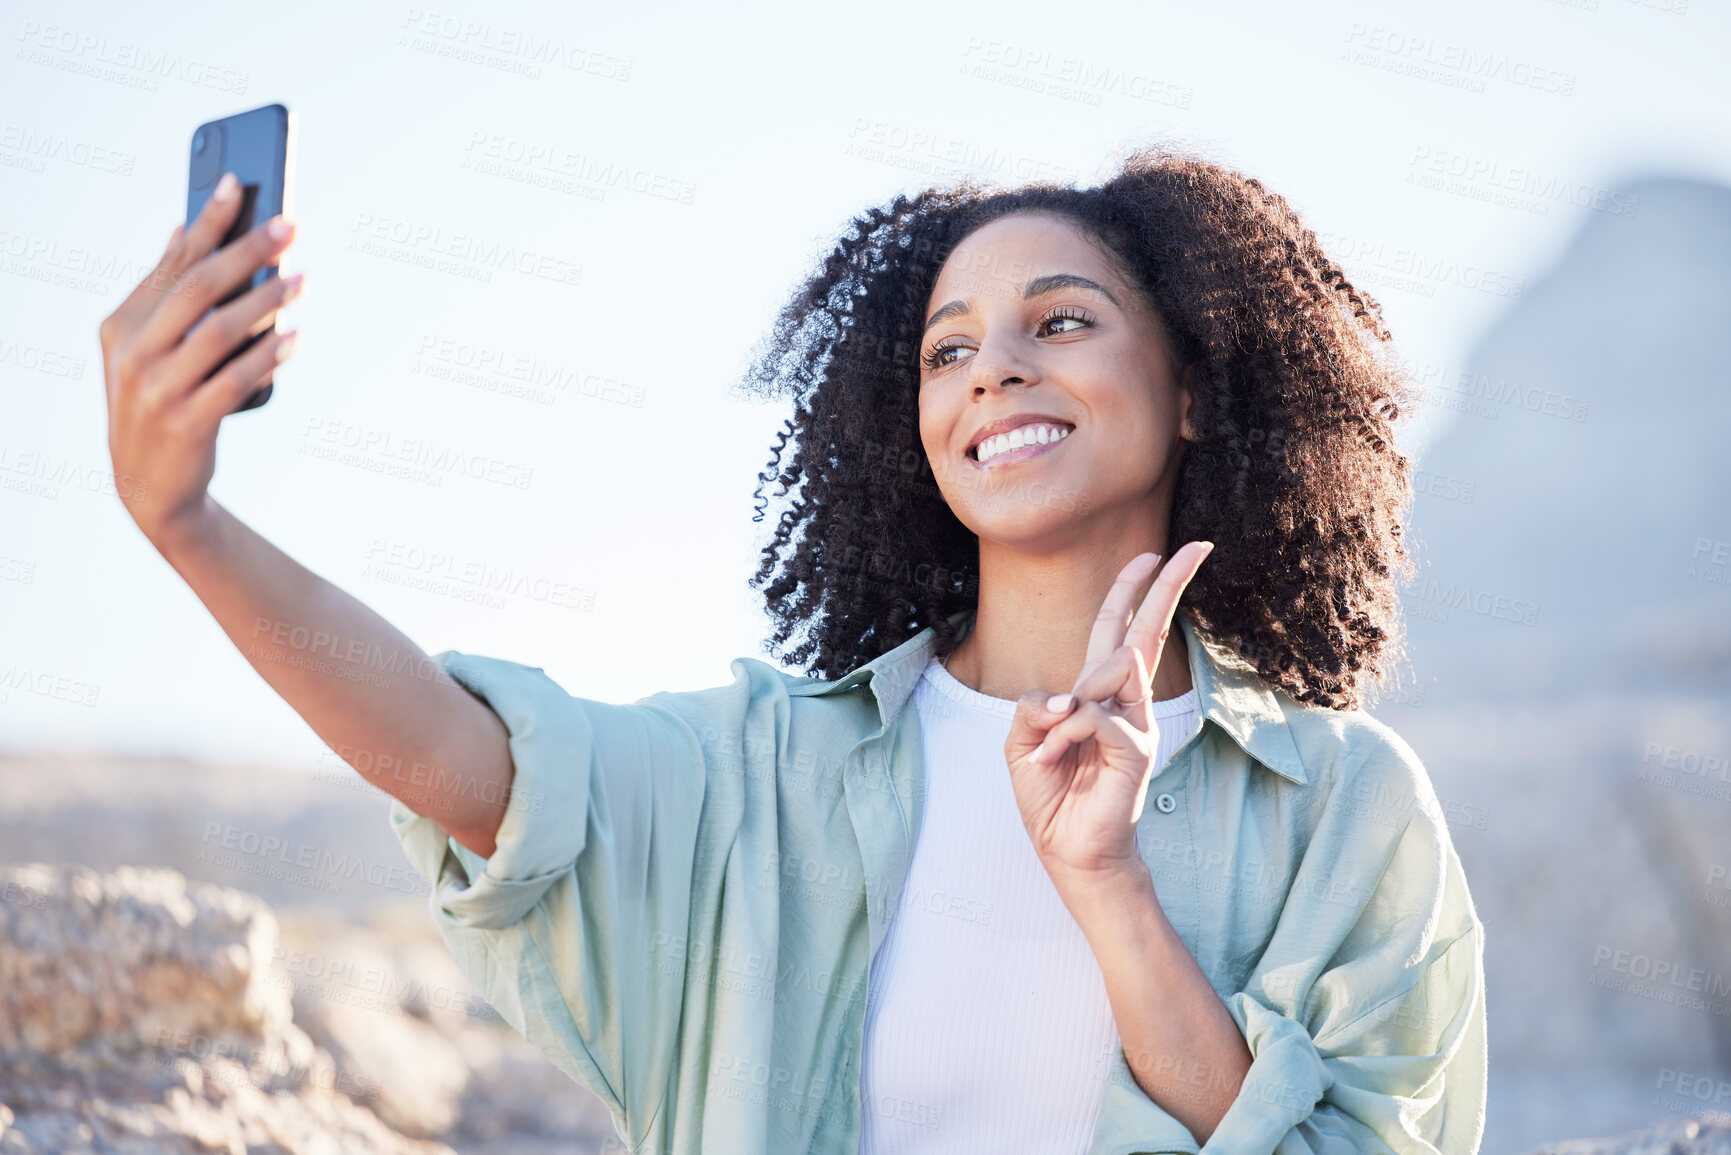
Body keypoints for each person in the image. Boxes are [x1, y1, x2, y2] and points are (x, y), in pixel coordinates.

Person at [98, 145, 1486, 1155]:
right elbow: (467, 759)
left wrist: (1108, 886)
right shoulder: (759, 773)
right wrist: (187, 521)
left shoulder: (1347, 811)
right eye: (949, 351)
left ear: (1192, 391)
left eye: (1060, 321)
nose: (993, 369)